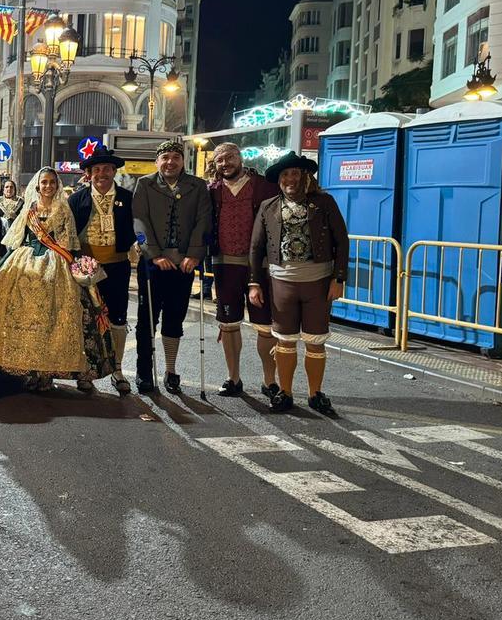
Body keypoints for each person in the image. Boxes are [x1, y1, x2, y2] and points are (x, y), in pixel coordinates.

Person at [0, 167, 114, 392]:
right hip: (24, 262)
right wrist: (0, 266)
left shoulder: (63, 209)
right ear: (37, 185)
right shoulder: (29, 209)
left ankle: (47, 373)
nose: (48, 186)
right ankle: (29, 370)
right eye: (44, 182)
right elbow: (17, 242)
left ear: (57, 185)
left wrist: (79, 268)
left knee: (56, 319)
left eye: (52, 182)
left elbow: (68, 245)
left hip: (55, 265)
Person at [248, 152, 349, 414]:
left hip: (318, 282)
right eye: (285, 175)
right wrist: (254, 284)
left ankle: (316, 393)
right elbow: (256, 248)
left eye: (295, 173)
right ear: (279, 180)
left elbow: (342, 241)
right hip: (282, 283)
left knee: (315, 340)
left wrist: (339, 279)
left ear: (304, 177)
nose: (290, 179)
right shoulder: (268, 206)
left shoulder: (324, 203)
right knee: (285, 339)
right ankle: (285, 392)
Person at [132, 140, 211, 394]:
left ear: (182, 161)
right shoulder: (145, 184)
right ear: (157, 161)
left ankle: (171, 370)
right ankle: (144, 373)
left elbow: (203, 221)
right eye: (165, 157)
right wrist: (153, 255)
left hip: (184, 265)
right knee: (146, 321)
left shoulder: (197, 186)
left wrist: (194, 255)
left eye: (175, 158)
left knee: (175, 319)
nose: (169, 162)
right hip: (152, 264)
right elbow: (139, 223)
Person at [208, 142, 280, 397]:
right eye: (219, 160)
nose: (225, 164)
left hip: (259, 265)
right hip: (224, 264)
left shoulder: (264, 187)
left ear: (239, 158)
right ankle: (233, 378)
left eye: (229, 158)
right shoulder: (212, 190)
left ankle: (270, 382)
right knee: (227, 323)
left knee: (264, 325)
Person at [68, 145, 134, 395]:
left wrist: (139, 243)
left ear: (114, 171)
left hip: (117, 265)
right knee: (87, 319)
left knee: (117, 318)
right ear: (89, 173)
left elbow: (137, 228)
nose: (102, 173)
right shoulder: (77, 199)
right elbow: (69, 235)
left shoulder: (128, 198)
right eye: (97, 169)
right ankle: (87, 369)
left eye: (107, 168)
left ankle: (117, 370)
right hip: (86, 268)